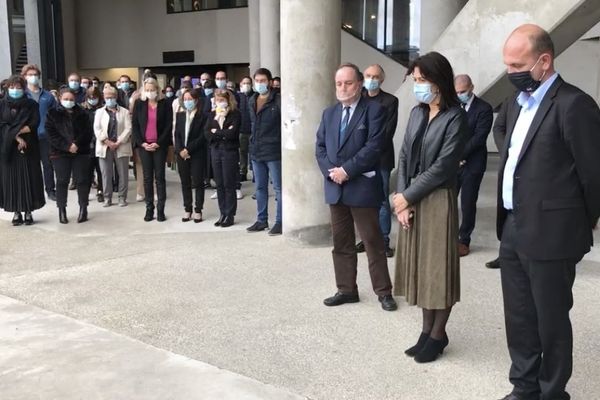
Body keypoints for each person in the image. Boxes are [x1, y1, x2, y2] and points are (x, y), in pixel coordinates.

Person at [495, 24, 600, 400]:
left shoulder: (575, 104)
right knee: (519, 316)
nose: (511, 72)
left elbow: (593, 174)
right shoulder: (514, 104)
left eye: (518, 64)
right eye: (506, 65)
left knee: (551, 320)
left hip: (553, 233)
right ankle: (523, 388)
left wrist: (577, 226)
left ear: (544, 60)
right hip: (513, 228)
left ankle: (552, 392)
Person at [392, 52, 468, 363]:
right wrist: (401, 200)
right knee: (420, 269)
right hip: (411, 198)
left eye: (423, 80)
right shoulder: (416, 113)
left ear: (439, 80)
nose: (418, 86)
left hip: (438, 199)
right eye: (416, 80)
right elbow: (405, 157)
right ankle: (426, 330)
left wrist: (407, 197)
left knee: (438, 270)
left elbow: (443, 167)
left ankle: (438, 334)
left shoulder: (456, 117)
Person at [316, 62, 397, 312]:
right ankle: (346, 289)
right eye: (339, 83)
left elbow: (374, 147)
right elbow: (320, 147)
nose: (342, 87)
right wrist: (332, 172)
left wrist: (346, 171)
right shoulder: (329, 113)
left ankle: (384, 292)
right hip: (335, 188)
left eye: (348, 82)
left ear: (359, 84)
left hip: (361, 187)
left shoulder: (374, 110)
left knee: (373, 242)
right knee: (341, 243)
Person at [356, 64, 399, 258]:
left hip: (381, 159)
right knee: (363, 201)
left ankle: (383, 240)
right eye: (368, 75)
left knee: (381, 201)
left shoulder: (390, 101)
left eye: (375, 76)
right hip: (358, 160)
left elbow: (385, 133)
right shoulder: (357, 98)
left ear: (382, 80)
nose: (371, 79)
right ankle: (366, 239)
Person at [454, 74, 493, 257]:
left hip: (473, 164)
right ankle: (447, 236)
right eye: (457, 92)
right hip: (452, 165)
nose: (460, 94)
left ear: (472, 87)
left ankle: (464, 240)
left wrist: (459, 155)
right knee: (447, 201)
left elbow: (479, 138)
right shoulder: (452, 106)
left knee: (468, 203)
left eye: (463, 91)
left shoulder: (484, 108)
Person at [0, 74, 45, 225]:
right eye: (12, 88)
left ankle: (28, 212)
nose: (15, 90)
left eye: (18, 88)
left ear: (24, 88)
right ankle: (16, 212)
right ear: (7, 88)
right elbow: (2, 125)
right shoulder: (2, 105)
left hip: (29, 146)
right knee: (12, 181)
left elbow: (34, 123)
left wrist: (18, 133)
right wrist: (16, 137)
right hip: (8, 148)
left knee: (29, 179)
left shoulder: (31, 104)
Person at [45, 87, 94, 224]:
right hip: (59, 152)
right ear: (60, 99)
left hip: (80, 151)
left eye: (71, 99)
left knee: (82, 180)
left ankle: (83, 208)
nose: (68, 101)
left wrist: (76, 144)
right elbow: (51, 134)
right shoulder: (52, 113)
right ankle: (62, 210)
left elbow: (87, 132)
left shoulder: (82, 113)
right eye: (66, 99)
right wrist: (67, 146)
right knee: (62, 181)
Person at [131, 77, 172, 222]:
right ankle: (149, 209)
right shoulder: (139, 104)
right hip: (144, 146)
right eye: (147, 90)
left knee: (160, 178)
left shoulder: (165, 104)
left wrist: (159, 142)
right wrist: (141, 143)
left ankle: (161, 210)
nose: (150, 92)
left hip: (159, 146)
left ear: (157, 90)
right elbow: (135, 125)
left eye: (152, 90)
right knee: (147, 179)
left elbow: (168, 126)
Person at [247, 68, 282, 235]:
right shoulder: (252, 100)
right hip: (256, 150)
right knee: (260, 188)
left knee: (278, 188)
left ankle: (280, 221)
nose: (260, 84)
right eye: (257, 81)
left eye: (263, 80)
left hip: (273, 151)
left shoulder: (277, 100)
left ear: (269, 82)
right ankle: (262, 220)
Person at [22, 64, 58, 201]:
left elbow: (55, 115)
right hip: (28, 136)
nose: (33, 77)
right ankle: (31, 190)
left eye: (35, 74)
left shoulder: (48, 96)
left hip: (45, 136)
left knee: (48, 165)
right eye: (30, 75)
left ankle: (50, 190)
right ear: (25, 77)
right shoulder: (23, 95)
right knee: (30, 164)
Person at [206, 90, 241, 227]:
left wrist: (217, 132)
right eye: (217, 99)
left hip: (229, 152)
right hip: (216, 151)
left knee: (229, 184)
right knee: (219, 184)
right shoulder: (212, 115)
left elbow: (232, 133)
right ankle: (222, 213)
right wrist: (221, 134)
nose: (219, 102)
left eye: (222, 100)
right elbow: (207, 133)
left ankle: (230, 214)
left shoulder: (235, 114)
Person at [94, 85, 132, 208]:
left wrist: (118, 142)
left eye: (112, 97)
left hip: (121, 145)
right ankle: (107, 197)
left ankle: (122, 197)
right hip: (104, 146)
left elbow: (128, 128)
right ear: (104, 98)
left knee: (123, 173)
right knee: (106, 173)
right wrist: (107, 141)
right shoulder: (99, 112)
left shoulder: (125, 112)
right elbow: (97, 128)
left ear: (116, 97)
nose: (110, 99)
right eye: (107, 97)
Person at [174, 89, 207, 223]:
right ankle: (188, 209)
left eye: (190, 99)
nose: (187, 102)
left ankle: (198, 209)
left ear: (196, 100)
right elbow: (177, 134)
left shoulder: (203, 116)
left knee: (198, 182)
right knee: (185, 182)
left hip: (197, 153)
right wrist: (180, 149)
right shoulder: (180, 115)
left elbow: (203, 136)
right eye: (185, 99)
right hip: (181, 154)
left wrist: (189, 149)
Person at [486, 99, 509, 270]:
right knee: (508, 214)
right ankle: (505, 255)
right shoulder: (511, 102)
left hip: (538, 170)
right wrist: (507, 151)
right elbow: (498, 128)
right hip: (510, 166)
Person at [81, 86, 105, 203]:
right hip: (86, 143)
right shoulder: (82, 109)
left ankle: (100, 190)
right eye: (90, 97)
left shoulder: (103, 109)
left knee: (100, 169)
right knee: (87, 170)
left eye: (95, 97)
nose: (92, 99)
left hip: (100, 142)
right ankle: (85, 192)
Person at [238, 76, 254, 182]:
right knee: (242, 153)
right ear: (241, 84)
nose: (246, 85)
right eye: (244, 83)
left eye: (248, 83)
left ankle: (255, 174)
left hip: (253, 130)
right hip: (241, 130)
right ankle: (243, 172)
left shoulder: (255, 96)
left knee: (253, 152)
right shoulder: (238, 97)